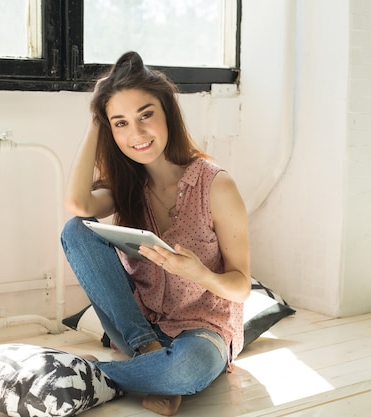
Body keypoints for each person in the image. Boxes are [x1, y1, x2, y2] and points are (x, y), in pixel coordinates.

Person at [60, 51, 251, 416]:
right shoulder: (126, 185)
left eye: (146, 115)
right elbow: (77, 205)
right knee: (76, 231)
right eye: (120, 123)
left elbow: (241, 286)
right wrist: (95, 121)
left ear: (167, 112)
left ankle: (85, 373)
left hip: (202, 332)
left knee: (182, 371)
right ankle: (149, 360)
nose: (137, 134)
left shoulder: (216, 185)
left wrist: (199, 274)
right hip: (137, 326)